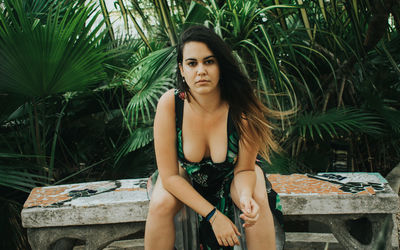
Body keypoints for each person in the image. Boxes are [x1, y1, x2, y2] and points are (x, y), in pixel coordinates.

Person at [144, 25, 284, 250]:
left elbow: (245, 170)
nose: (201, 71)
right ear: (181, 69)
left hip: (234, 175)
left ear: (221, 66)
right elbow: (169, 176)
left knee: (255, 202)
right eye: (192, 63)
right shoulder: (170, 104)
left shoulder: (241, 108)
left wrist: (246, 196)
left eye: (209, 61)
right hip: (184, 175)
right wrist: (214, 216)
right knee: (161, 202)